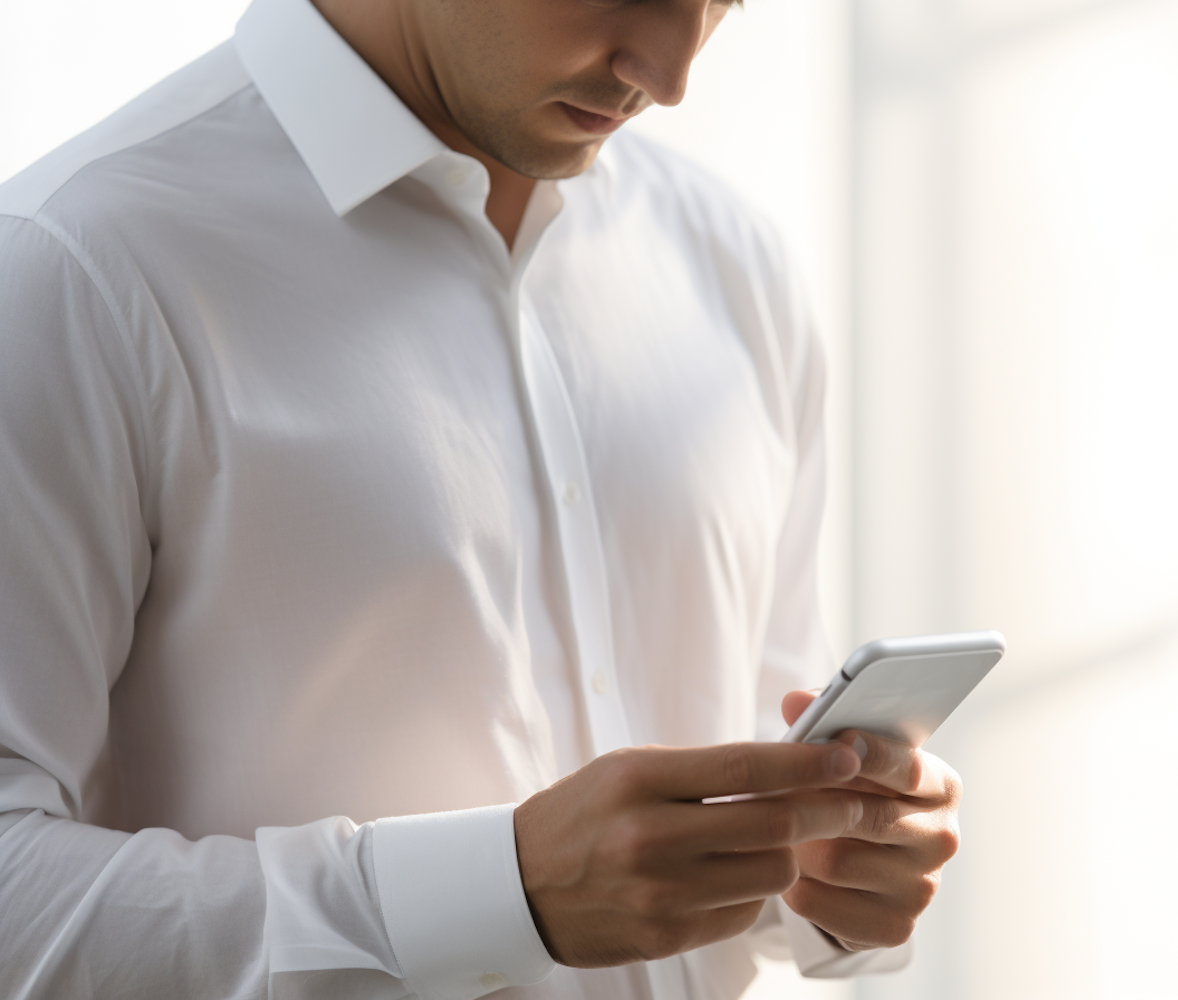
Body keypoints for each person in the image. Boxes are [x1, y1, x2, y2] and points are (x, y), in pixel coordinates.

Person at [0, 0, 962, 997]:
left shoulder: (736, 268)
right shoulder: (69, 273)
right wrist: (498, 895)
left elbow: (761, 765)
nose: (671, 72)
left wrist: (836, 864)